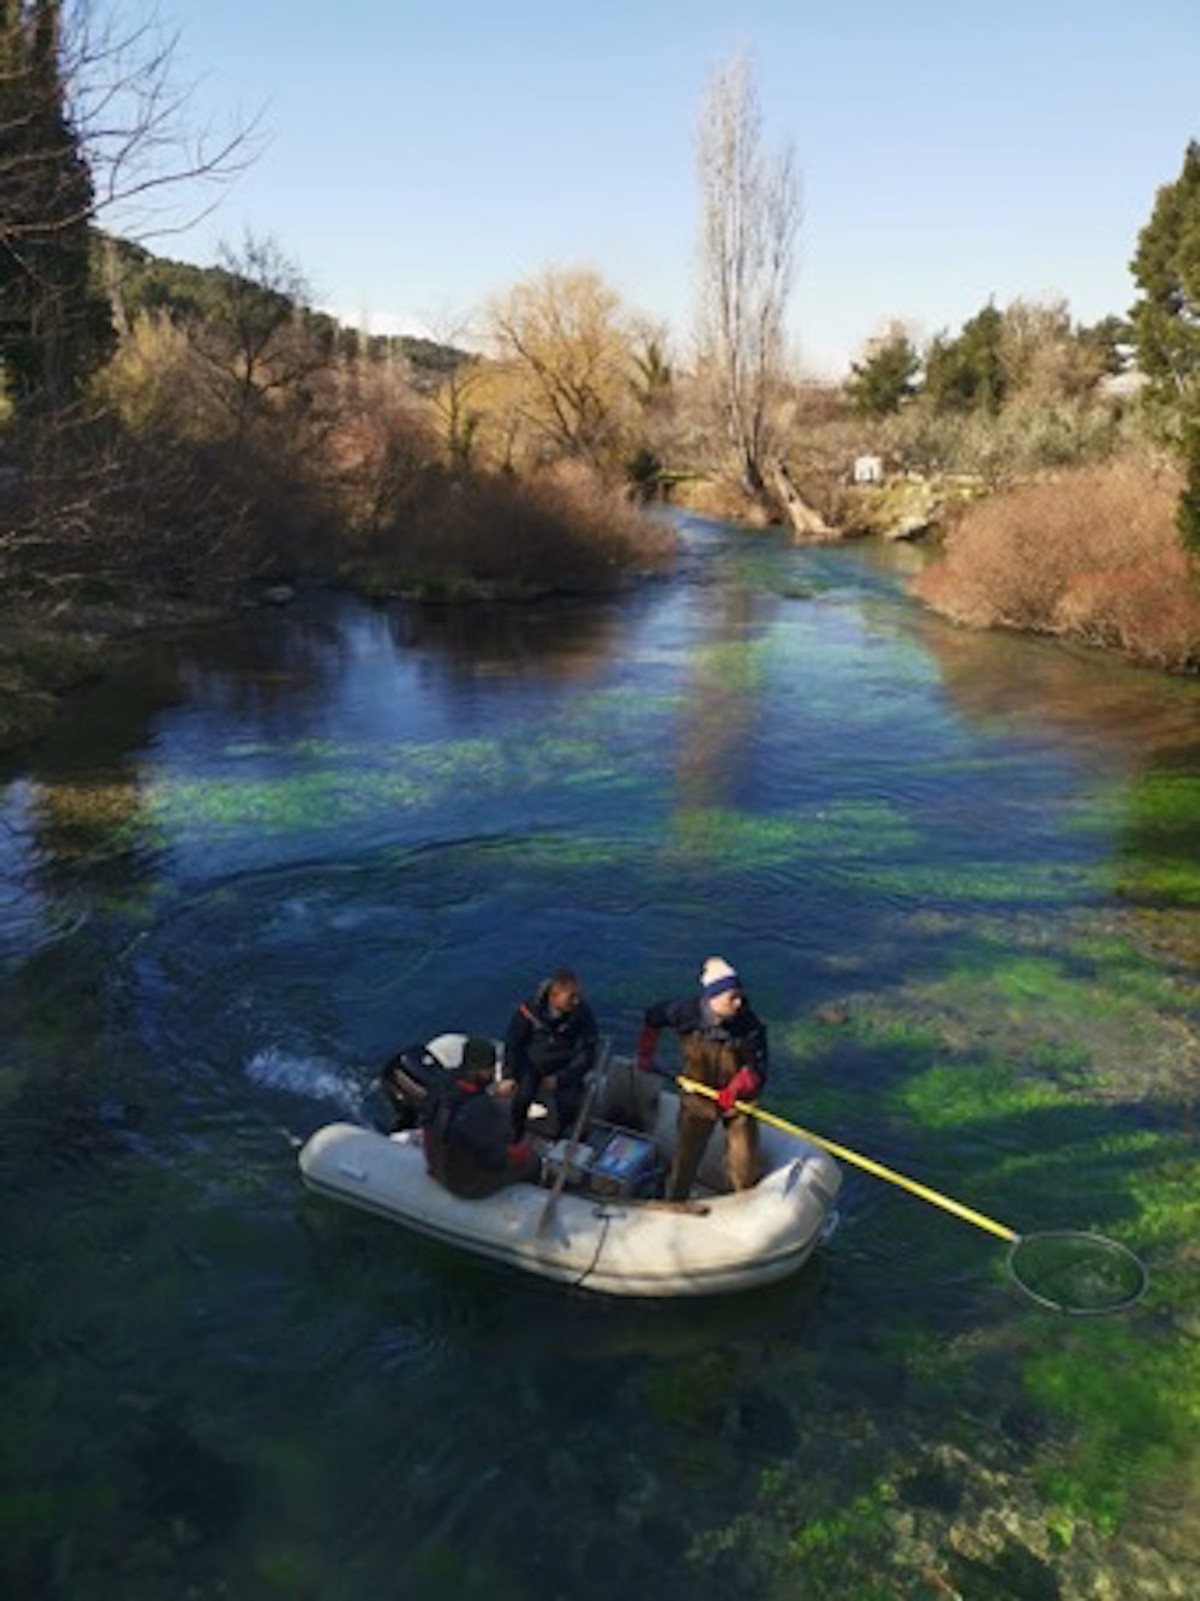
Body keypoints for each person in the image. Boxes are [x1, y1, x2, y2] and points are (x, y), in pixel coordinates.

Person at [635, 957, 768, 1200]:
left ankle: (743, 1200)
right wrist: (646, 1053)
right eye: (732, 998)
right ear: (713, 999)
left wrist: (738, 1087)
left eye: (740, 996)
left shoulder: (749, 1025)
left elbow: (758, 1068)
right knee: (686, 1156)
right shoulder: (685, 1013)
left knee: (744, 1161)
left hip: (738, 1103)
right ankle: (675, 1199)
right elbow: (653, 1018)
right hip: (698, 1097)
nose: (739, 1003)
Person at [422, 1036, 541, 1199]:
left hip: (437, 1167)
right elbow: (496, 1158)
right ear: (477, 1070)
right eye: (489, 1069)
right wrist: (521, 1152)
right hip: (466, 1186)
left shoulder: (441, 1085)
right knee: (533, 1162)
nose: (492, 1073)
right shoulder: (481, 1108)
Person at [502, 968, 598, 1138]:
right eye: (571, 997)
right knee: (521, 1099)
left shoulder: (582, 1014)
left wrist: (562, 1077)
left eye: (578, 996)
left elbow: (587, 1053)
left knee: (570, 1104)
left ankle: (559, 1139)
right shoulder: (529, 1011)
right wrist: (508, 1074)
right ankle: (515, 1137)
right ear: (554, 996)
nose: (576, 1002)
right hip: (532, 1066)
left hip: (564, 1068)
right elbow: (514, 1043)